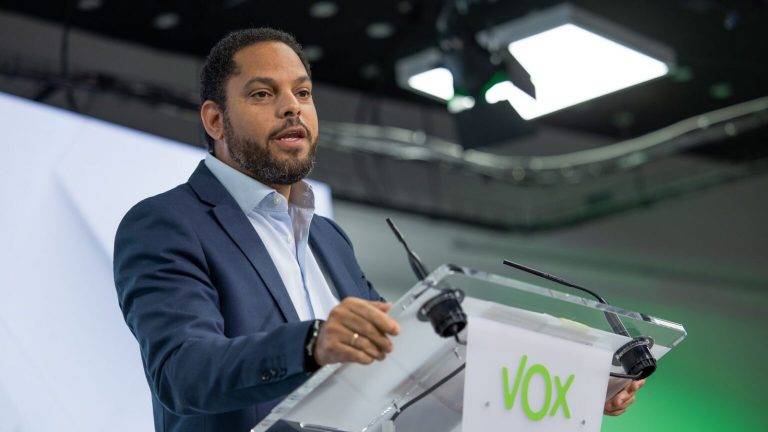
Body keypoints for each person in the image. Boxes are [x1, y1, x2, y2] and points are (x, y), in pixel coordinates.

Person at [113, 27, 641, 432]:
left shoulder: (325, 238)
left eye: (303, 92)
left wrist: (570, 388)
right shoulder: (168, 223)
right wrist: (313, 345)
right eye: (261, 94)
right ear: (214, 120)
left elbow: (409, 372)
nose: (292, 106)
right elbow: (182, 373)